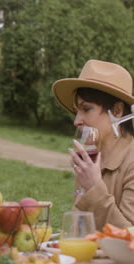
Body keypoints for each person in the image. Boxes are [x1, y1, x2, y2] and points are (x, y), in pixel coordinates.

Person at [52, 59, 134, 230]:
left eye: (86, 109)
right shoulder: (92, 158)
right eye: (76, 111)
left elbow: (130, 240)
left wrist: (94, 187)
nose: (76, 121)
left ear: (117, 111)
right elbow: (79, 230)